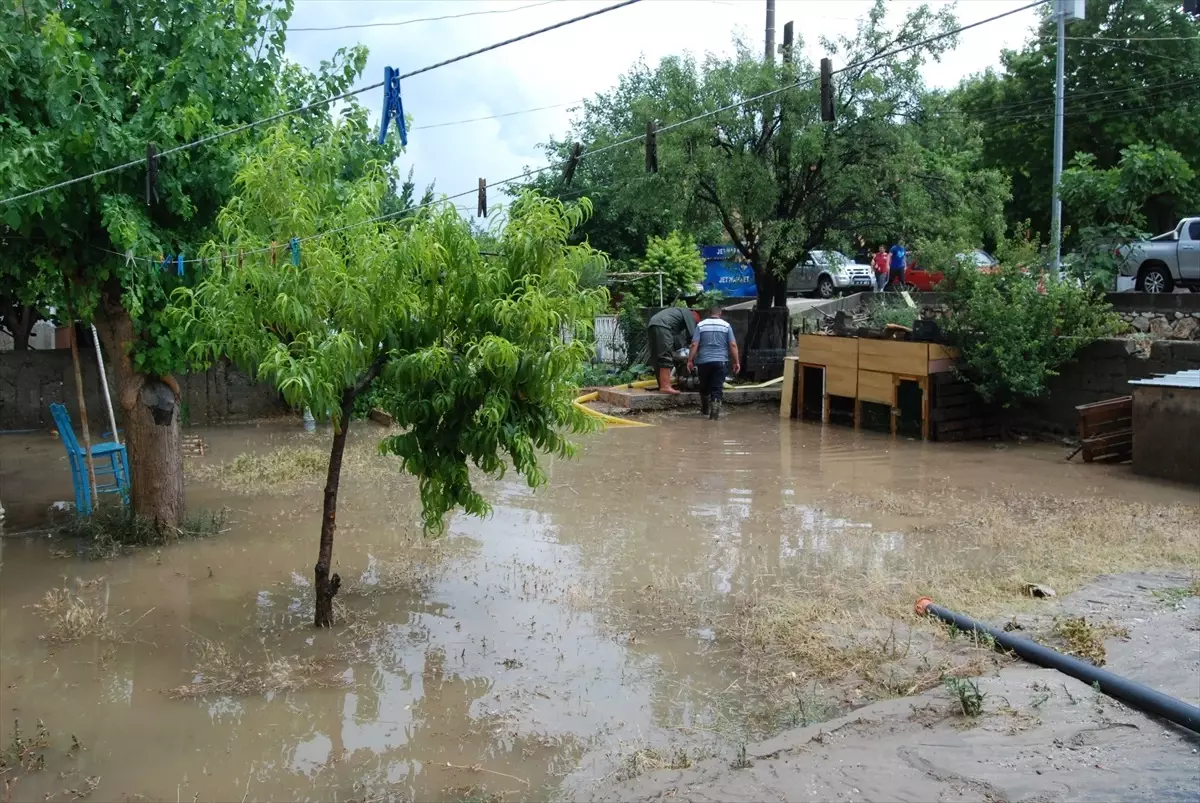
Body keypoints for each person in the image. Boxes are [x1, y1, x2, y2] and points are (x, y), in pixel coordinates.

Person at [687, 305, 739, 420]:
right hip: (720, 361)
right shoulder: (726, 325)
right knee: (717, 388)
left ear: (709, 313)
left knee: (704, 386)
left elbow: (694, 344)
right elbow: (733, 344)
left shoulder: (701, 325)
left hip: (703, 362)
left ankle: (705, 409)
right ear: (720, 313)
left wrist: (690, 360)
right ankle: (714, 416)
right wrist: (736, 362)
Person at [646, 306, 700, 394]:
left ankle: (662, 385)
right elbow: (693, 337)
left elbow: (677, 339)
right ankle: (665, 386)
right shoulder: (690, 314)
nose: (695, 324)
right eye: (696, 323)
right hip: (663, 326)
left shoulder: (677, 314)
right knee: (665, 355)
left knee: (657, 356)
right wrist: (693, 356)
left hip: (652, 324)